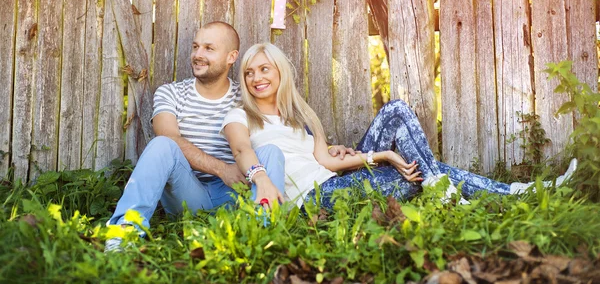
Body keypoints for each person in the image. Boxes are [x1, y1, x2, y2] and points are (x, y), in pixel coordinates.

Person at [221, 43, 578, 209]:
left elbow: (328, 163)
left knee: (395, 111)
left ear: (280, 71)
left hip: (335, 180)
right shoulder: (240, 116)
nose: (256, 78)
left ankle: (512, 191)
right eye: (249, 72)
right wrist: (386, 158)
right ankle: (513, 192)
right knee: (423, 173)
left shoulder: (300, 116)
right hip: (316, 199)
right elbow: (241, 149)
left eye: (264, 69)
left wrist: (385, 154)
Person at [105, 23, 286, 252]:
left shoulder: (247, 97)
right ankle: (125, 233)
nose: (198, 55)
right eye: (196, 47)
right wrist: (222, 169)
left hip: (236, 193)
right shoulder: (170, 92)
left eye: (209, 48)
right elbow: (169, 137)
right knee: (162, 144)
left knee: (271, 151)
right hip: (186, 193)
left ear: (231, 57)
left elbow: (284, 128)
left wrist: (324, 147)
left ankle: (261, 234)